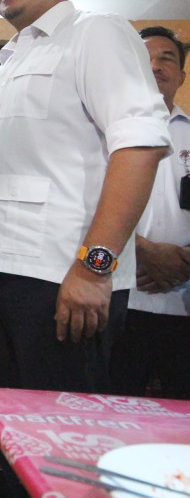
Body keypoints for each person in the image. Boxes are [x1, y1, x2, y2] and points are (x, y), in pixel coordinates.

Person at [0, 0, 171, 401]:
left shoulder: (96, 32)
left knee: (62, 436)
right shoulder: (9, 63)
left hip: (61, 282)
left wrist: (94, 267)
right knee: (11, 433)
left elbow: (140, 147)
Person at [111, 26, 190, 399]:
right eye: (145, 58)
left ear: (181, 76)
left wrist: (183, 263)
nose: (155, 65)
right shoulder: (102, 132)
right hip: (119, 301)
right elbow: (82, 206)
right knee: (110, 411)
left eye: (166, 58)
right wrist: (142, 251)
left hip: (184, 307)